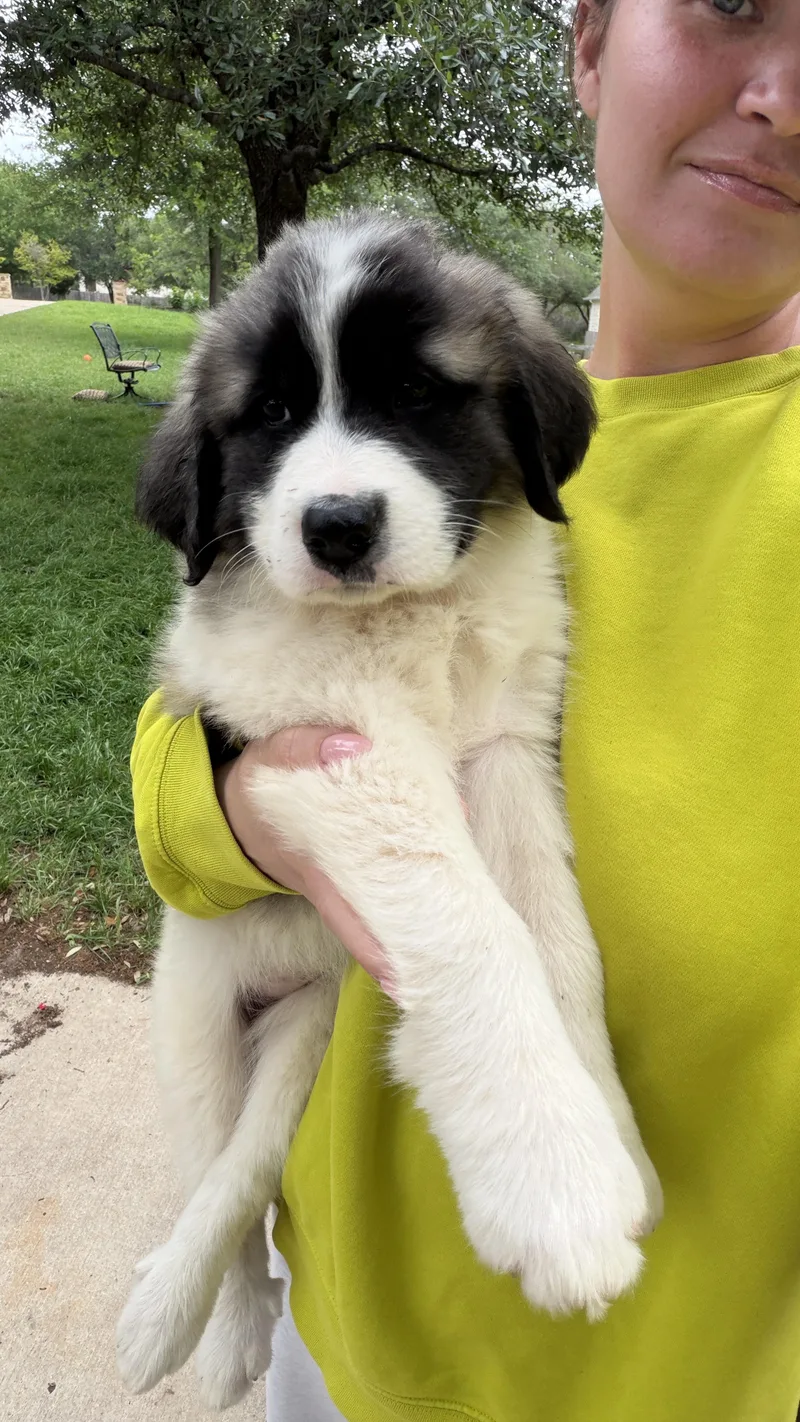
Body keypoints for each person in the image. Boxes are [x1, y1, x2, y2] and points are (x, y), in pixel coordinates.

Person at [130, 0, 800, 1417]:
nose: (781, 94)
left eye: (415, 406)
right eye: (731, 6)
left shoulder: (523, 472)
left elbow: (492, 794)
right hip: (355, 1340)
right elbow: (202, 781)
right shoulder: (489, 474)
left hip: (697, 1371)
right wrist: (233, 799)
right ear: (590, 43)